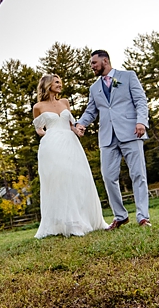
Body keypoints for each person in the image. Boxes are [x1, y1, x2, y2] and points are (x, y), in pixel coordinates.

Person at [74, 50, 151, 228]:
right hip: (107, 137)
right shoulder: (94, 88)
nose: (92, 66)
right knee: (108, 177)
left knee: (138, 174)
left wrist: (141, 122)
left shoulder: (128, 76)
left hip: (132, 132)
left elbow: (140, 100)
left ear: (105, 61)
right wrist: (81, 124)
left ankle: (143, 217)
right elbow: (91, 110)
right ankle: (121, 215)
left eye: (94, 63)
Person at [32, 73, 106, 238]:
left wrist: (78, 129)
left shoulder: (65, 102)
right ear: (47, 84)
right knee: (61, 180)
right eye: (56, 82)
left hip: (71, 144)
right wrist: (50, 136)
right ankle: (67, 223)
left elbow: (71, 125)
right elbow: (39, 129)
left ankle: (83, 220)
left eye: (60, 82)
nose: (59, 85)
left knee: (79, 179)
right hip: (51, 146)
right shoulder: (38, 107)